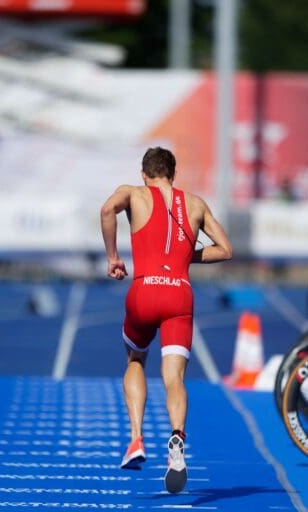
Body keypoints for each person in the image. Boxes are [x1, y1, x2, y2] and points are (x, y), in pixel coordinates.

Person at [99, 147, 232, 494]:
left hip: (144, 291)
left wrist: (113, 256)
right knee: (174, 377)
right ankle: (177, 436)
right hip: (179, 295)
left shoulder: (133, 192)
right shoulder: (196, 203)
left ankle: (136, 438)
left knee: (136, 359)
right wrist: (186, 258)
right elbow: (225, 249)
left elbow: (107, 209)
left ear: (145, 173)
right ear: (174, 174)